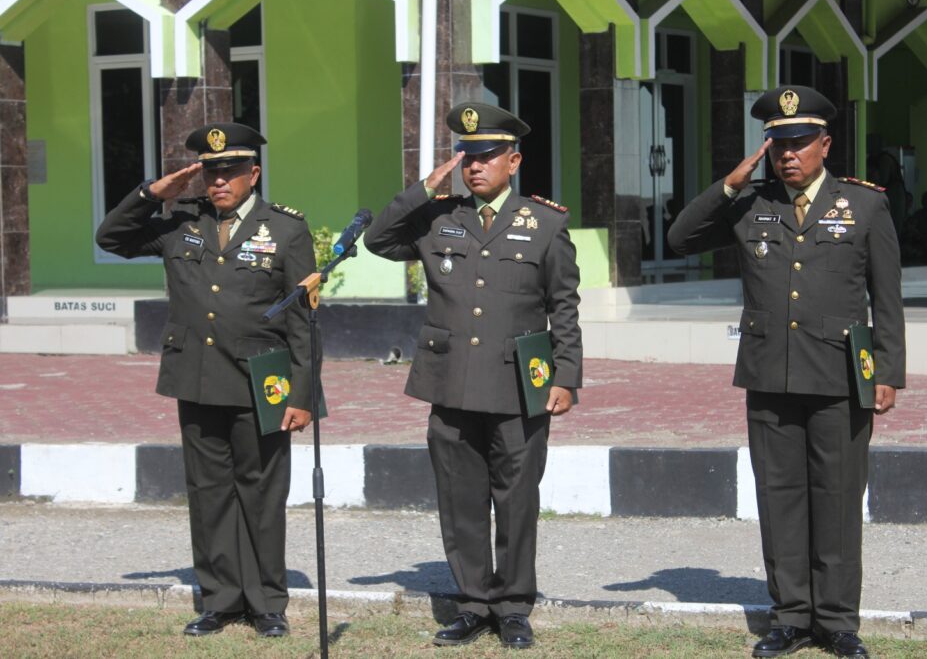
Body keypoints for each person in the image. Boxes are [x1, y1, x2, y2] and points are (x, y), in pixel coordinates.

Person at [667, 86, 906, 658]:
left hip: (839, 376)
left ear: (825, 144)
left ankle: (838, 621)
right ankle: (792, 616)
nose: (788, 154)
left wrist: (888, 371)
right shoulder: (750, 203)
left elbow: (887, 298)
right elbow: (679, 239)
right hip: (769, 373)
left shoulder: (864, 205)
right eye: (778, 144)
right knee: (780, 499)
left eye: (799, 143)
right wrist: (729, 184)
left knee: (838, 498)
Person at [363, 102, 583, 649]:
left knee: (516, 501)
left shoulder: (545, 223)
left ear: (514, 161)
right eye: (467, 156)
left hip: (518, 385)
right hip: (452, 381)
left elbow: (564, 306)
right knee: (460, 500)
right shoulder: (438, 217)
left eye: (486, 156)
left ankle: (513, 607)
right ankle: (472, 603)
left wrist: (566, 375)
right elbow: (378, 240)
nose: (475, 166)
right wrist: (422, 189)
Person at [96, 122, 316, 638]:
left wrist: (303, 393)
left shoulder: (285, 229)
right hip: (196, 375)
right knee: (208, 493)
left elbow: (302, 320)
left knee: (262, 495)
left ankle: (267, 603)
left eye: (230, 171)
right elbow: (111, 238)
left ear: (253, 174)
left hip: (262, 381)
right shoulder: (181, 223)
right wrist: (153, 194)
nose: (219, 181)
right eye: (210, 172)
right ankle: (219, 599)